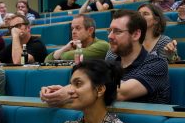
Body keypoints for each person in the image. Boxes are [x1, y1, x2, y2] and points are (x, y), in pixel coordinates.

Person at [41, 10, 170, 105]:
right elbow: (91, 85)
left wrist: (68, 93)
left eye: (117, 31)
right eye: (110, 31)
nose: (110, 36)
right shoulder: (110, 64)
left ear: (136, 34)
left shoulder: (156, 64)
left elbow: (120, 92)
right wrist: (58, 92)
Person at [45, 15, 109, 62]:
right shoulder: (73, 46)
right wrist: (64, 48)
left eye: (78, 28)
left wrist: (61, 54)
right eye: (72, 28)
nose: (73, 32)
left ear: (90, 31)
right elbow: (47, 60)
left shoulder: (102, 45)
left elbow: (67, 56)